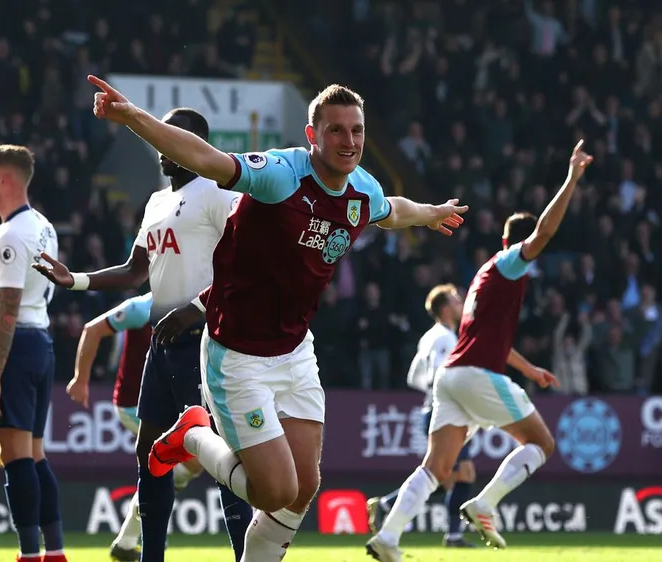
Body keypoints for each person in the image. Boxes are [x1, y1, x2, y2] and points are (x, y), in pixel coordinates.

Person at [82, 75, 467, 562]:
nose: (349, 142)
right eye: (336, 131)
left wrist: (429, 212)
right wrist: (132, 116)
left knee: (303, 488)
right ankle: (192, 435)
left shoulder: (361, 189)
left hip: (294, 351)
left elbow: (392, 211)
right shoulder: (281, 174)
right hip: (236, 354)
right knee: (271, 492)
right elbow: (204, 158)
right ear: (312, 135)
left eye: (357, 130)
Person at [33, 107, 252, 562]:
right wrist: (73, 279)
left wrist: (194, 310)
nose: (161, 145)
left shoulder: (218, 193)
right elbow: (136, 272)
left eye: (173, 136)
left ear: (196, 145)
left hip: (207, 340)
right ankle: (151, 555)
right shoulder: (156, 202)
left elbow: (246, 271)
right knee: (150, 451)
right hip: (163, 341)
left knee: (222, 456)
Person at [365, 140, 593, 561]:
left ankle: (388, 538)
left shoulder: (485, 278)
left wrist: (531, 369)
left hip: (451, 379)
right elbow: (544, 231)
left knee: (434, 469)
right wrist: (572, 177)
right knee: (541, 444)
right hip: (473, 374)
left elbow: (494, 343)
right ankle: (484, 505)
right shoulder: (510, 263)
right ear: (519, 244)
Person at [0, 145, 66, 562]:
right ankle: (55, 551)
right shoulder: (45, 226)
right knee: (34, 452)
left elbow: (7, 309)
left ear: (3, 180)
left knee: (14, 456)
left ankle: (29, 553)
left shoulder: (12, 234)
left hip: (16, 344)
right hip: (40, 341)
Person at [67, 292, 204, 561]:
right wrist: (80, 379)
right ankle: (134, 536)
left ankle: (128, 540)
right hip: (134, 405)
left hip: (170, 403)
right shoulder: (142, 308)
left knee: (180, 467)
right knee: (185, 464)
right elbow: (92, 330)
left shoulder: (196, 305)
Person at [366, 283, 477, 548]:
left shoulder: (432, 336)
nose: (460, 303)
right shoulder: (444, 338)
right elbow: (436, 373)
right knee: (460, 473)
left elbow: (414, 376)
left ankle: (387, 505)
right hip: (446, 411)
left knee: (443, 475)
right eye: (455, 299)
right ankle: (452, 535)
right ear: (444, 308)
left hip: (436, 408)